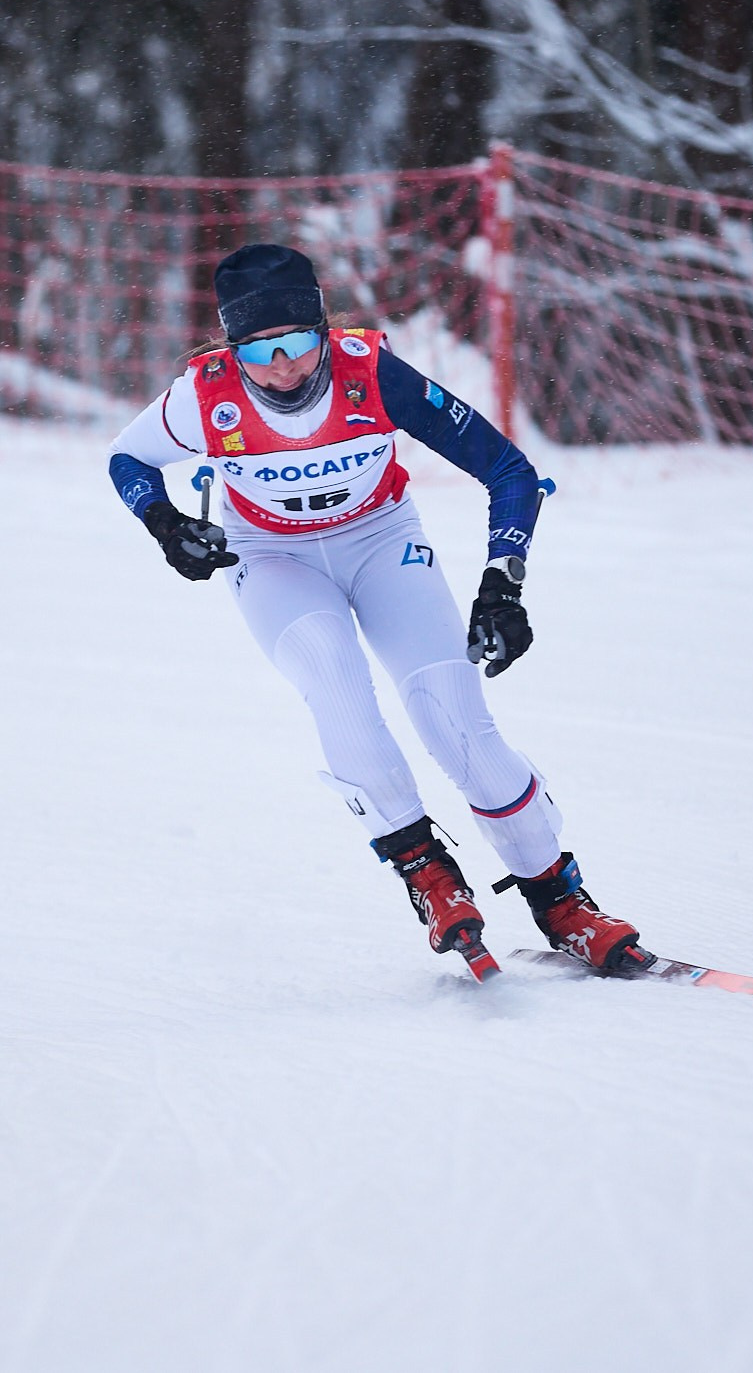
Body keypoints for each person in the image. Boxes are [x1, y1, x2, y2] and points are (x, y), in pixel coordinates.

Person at [106, 243, 649, 979]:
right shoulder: (203, 396)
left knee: (454, 719)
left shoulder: (371, 373)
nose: (286, 368)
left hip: (380, 538)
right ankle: (428, 875)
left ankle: (563, 902)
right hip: (272, 558)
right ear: (234, 349)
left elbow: (509, 470)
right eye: (261, 353)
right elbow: (126, 460)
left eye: (301, 344)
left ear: (325, 332)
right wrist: (168, 527)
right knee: (334, 677)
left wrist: (502, 585)